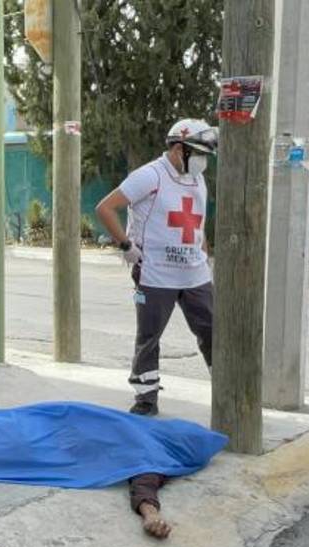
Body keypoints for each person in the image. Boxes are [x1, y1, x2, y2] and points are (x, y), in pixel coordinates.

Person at [95, 117, 218, 419]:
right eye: (198, 153)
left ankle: (226, 390)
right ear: (178, 149)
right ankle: (145, 400)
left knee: (214, 332)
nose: (203, 161)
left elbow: (197, 223)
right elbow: (105, 208)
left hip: (195, 274)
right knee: (149, 337)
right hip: (155, 273)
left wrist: (204, 255)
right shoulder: (150, 175)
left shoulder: (196, 178)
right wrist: (126, 246)